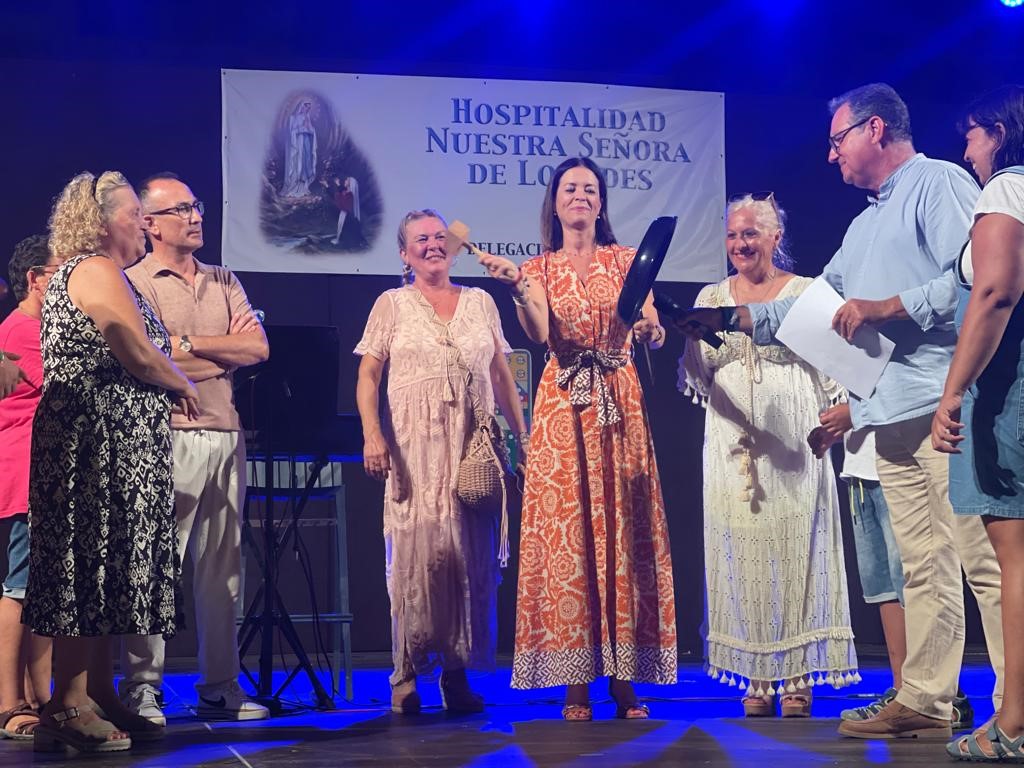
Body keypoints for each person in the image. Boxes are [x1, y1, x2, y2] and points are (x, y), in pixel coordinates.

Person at [676, 83, 1003, 740]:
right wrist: (729, 319)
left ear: (874, 129)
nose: (831, 156)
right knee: (923, 567)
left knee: (982, 563)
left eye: (837, 140)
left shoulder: (937, 183)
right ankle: (927, 698)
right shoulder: (864, 224)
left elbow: (976, 276)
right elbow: (814, 310)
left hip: (946, 405)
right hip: (890, 413)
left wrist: (887, 307)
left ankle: (1016, 704)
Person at [478, 156, 676, 721]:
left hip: (619, 402)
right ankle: (575, 682)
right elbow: (539, 332)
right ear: (555, 202)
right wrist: (519, 289)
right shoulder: (538, 267)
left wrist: (651, 329)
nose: (580, 196)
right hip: (565, 405)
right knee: (571, 537)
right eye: (570, 188)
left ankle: (625, 680)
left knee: (622, 531)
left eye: (589, 188)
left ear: (601, 202)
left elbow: (653, 327)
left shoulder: (626, 260)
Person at [23, 171, 199, 754]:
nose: (144, 225)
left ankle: (98, 691)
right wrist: (180, 383)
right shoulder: (94, 268)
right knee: (88, 562)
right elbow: (135, 349)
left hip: (115, 442)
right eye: (133, 216)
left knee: (109, 568)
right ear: (101, 225)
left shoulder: (107, 272)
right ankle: (69, 703)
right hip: (92, 443)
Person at [681, 193, 857, 718]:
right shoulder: (712, 296)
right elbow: (698, 371)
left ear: (775, 237)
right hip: (732, 447)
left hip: (795, 443)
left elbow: (835, 367)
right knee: (741, 552)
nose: (740, 244)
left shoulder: (805, 292)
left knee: (797, 548)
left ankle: (797, 676)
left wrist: (833, 418)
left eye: (751, 233)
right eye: (733, 235)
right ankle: (757, 677)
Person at [355, 209, 528, 714]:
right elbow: (368, 376)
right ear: (404, 254)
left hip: (471, 448)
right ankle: (405, 673)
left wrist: (523, 437)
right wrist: (372, 433)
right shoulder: (391, 304)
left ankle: (456, 674)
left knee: (467, 558)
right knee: (416, 559)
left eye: (438, 237)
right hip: (414, 450)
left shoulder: (480, 302)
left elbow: (501, 375)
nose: (432, 245)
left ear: (451, 246)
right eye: (420, 239)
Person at [121, 173, 270, 723]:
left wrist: (186, 346)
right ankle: (141, 687)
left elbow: (257, 348)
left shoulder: (223, 278)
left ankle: (219, 684)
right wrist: (209, 357)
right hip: (166, 435)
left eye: (196, 206)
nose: (195, 216)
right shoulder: (134, 281)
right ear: (150, 223)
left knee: (222, 570)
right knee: (154, 565)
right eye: (180, 209)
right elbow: (147, 357)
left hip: (226, 432)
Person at [932, 84, 1024, 761]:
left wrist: (954, 391)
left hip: (1008, 393)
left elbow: (993, 292)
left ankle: (1015, 723)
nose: (966, 151)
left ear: (997, 132)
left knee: (1016, 559)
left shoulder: (1007, 190)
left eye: (971, 136)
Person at [0, 236, 57, 741]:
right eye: (60, 272)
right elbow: (62, 388)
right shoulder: (21, 330)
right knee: (19, 588)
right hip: (29, 473)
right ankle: (8, 702)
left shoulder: (40, 328)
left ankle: (41, 696)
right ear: (34, 278)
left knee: (40, 590)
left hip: (45, 473)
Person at [281, 100, 317, 198]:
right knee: (297, 165)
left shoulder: (307, 118)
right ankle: (293, 187)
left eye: (309, 108)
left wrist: (309, 128)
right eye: (306, 107)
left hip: (306, 144)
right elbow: (292, 132)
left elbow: (311, 131)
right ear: (301, 106)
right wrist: (302, 128)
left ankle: (303, 187)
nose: (307, 109)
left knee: (305, 164)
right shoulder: (294, 118)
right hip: (298, 145)